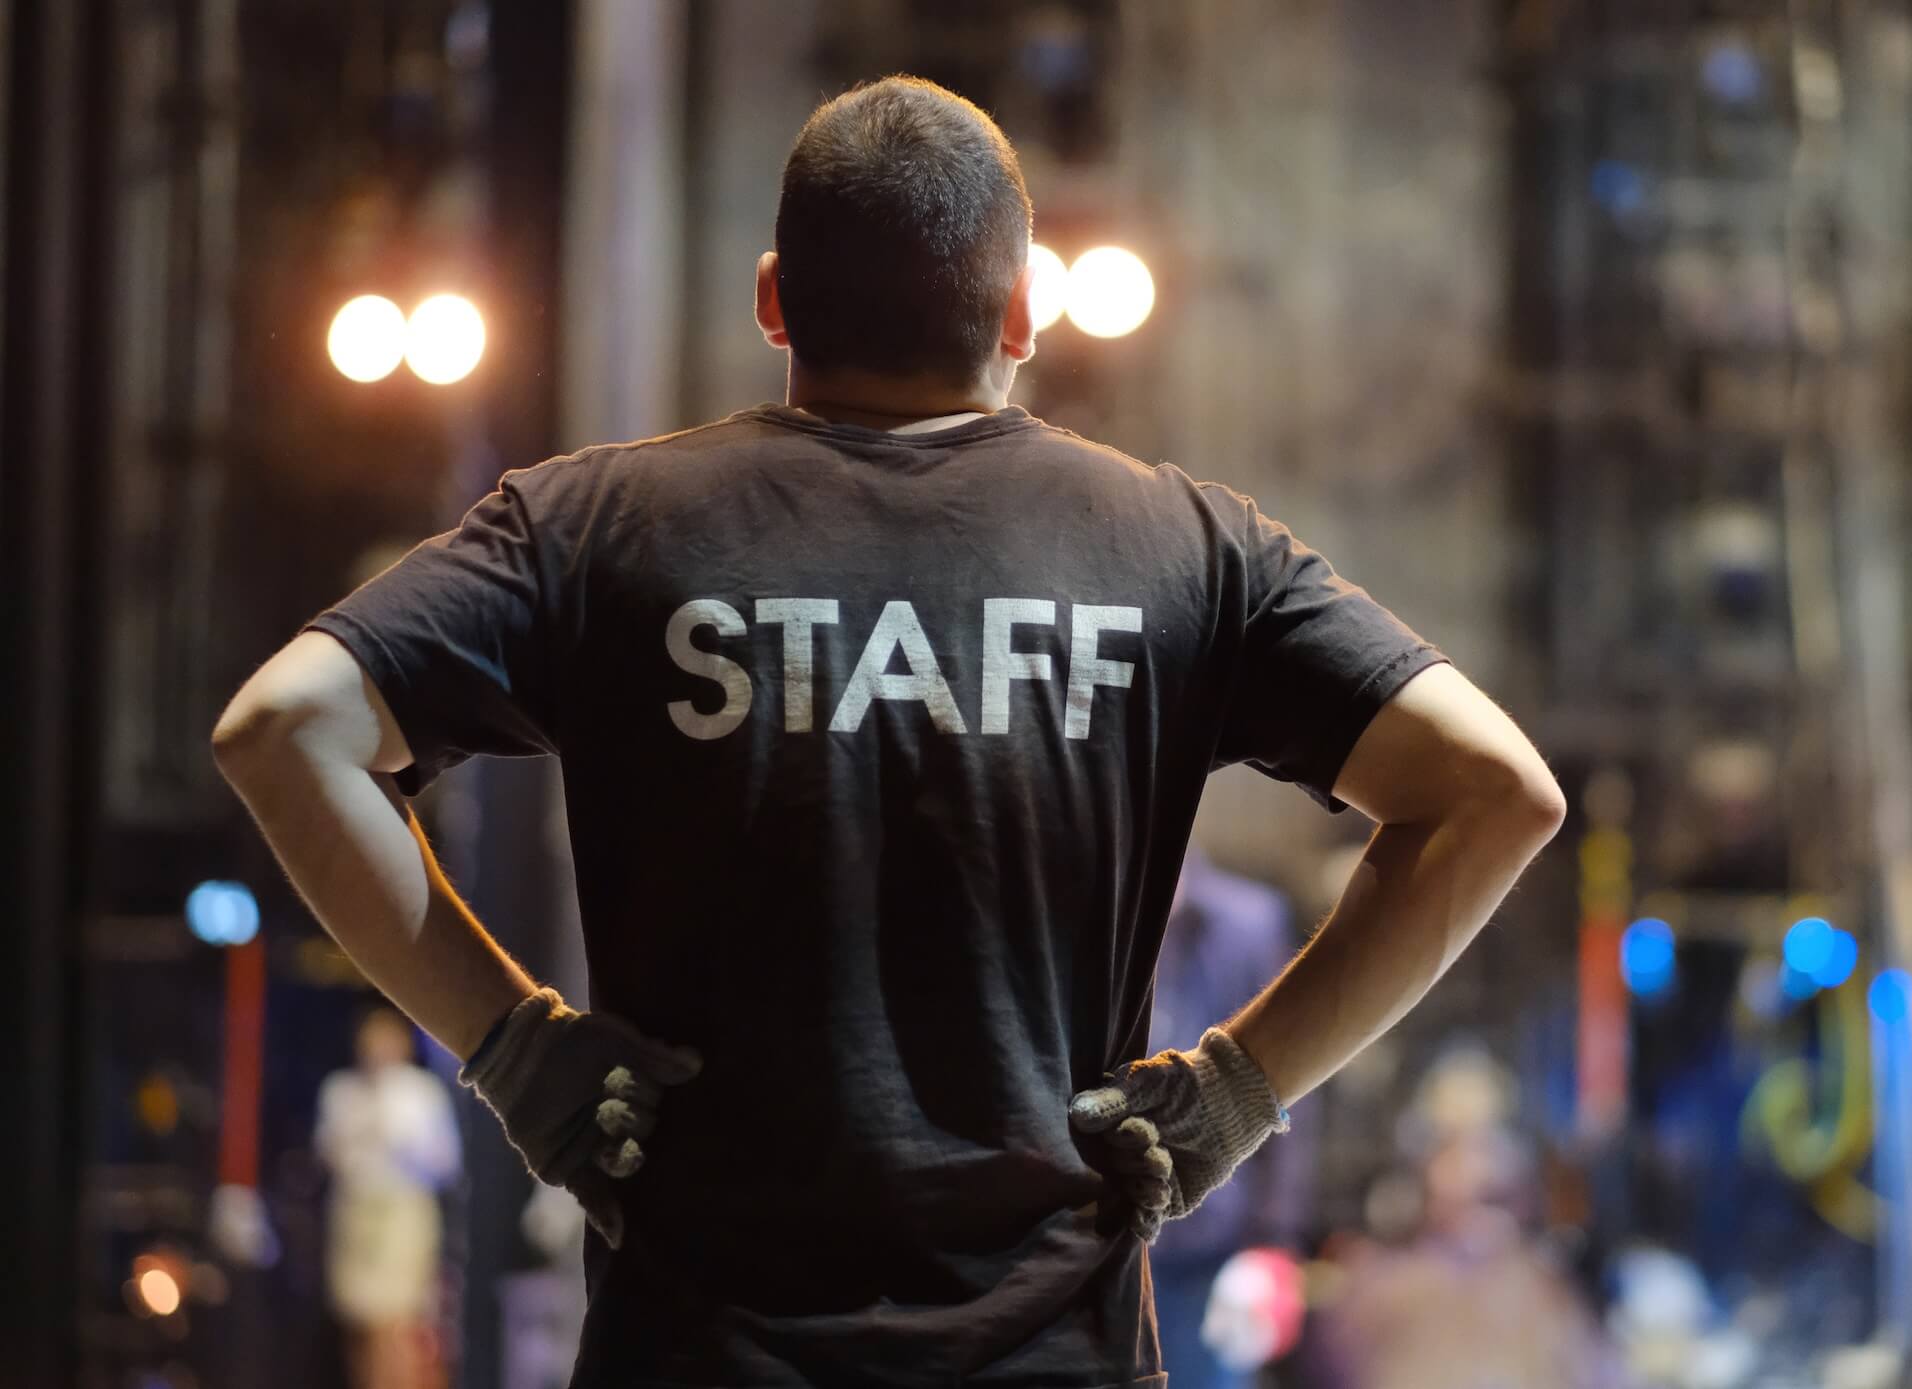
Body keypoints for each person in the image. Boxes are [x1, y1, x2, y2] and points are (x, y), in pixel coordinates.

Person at [213, 75, 1564, 1387]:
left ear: (770, 302)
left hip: (699, 1352)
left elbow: (282, 727)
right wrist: (1239, 1088)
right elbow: (1495, 791)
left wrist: (512, 1047)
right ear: (1026, 312)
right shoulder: (1182, 547)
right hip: (1051, 1352)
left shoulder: (592, 528)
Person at [1146, 853, 1317, 1387]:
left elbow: (1293, 1086)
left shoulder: (1248, 921)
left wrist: (1276, 1239)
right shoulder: (1092, 911)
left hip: (1214, 1248)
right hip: (1107, 1238)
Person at [314, 1005, 463, 1389]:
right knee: (360, 1321)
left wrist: (401, 1142)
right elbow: (329, 1152)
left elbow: (445, 1162)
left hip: (403, 1212)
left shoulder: (421, 1092)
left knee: (397, 1320)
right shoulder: (341, 1090)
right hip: (355, 1214)